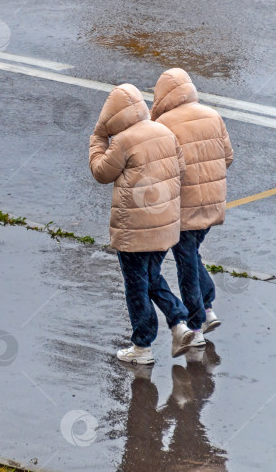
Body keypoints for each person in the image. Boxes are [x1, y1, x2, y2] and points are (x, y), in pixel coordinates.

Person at [89, 83, 195, 364]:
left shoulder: (124, 141)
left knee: (137, 286)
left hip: (134, 230)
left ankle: (142, 347)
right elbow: (181, 169)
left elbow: (101, 172)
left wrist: (98, 140)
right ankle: (179, 323)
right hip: (166, 226)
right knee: (151, 277)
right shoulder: (164, 131)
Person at [151, 68, 234, 347]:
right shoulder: (212, 115)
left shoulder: (163, 124)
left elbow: (161, 169)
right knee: (191, 253)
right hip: (212, 203)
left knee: (186, 262)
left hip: (183, 207)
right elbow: (228, 158)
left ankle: (197, 323)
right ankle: (208, 306)